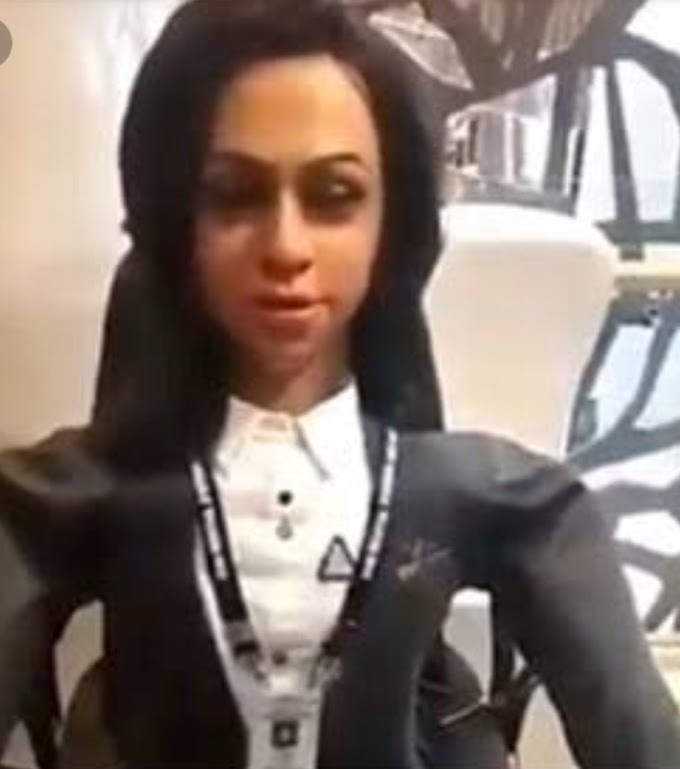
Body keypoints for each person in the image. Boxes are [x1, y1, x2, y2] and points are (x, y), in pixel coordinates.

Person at [0, 1, 679, 768]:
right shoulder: (79, 493)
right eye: (234, 195)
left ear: (392, 221)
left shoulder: (489, 495)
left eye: (333, 197)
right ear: (174, 219)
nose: (286, 247)